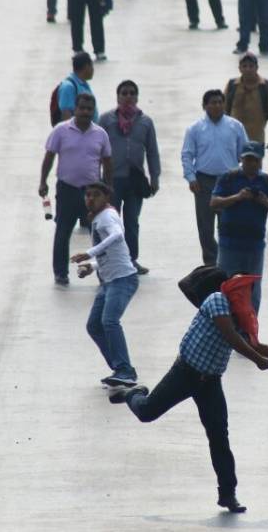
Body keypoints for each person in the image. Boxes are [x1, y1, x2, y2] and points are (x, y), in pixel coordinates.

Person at [110, 269, 268, 514]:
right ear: (230, 289)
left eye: (247, 292)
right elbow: (231, 337)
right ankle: (133, 393)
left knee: (219, 437)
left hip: (210, 382)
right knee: (147, 413)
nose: (245, 295)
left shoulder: (238, 315)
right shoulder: (217, 301)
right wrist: (257, 360)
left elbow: (255, 345)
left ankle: (228, 494)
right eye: (242, 290)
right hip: (185, 373)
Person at [72, 182, 141, 387]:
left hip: (122, 279)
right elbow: (111, 251)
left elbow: (117, 235)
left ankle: (125, 371)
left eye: (96, 195)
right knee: (94, 326)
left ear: (106, 198)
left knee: (109, 321)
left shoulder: (107, 217)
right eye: (87, 195)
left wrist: (89, 253)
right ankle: (121, 369)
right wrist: (92, 266)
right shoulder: (99, 218)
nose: (90, 199)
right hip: (109, 282)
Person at [40, 93, 113, 285]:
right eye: (82, 108)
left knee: (98, 233)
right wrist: (43, 181)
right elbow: (49, 157)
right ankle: (60, 273)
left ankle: (103, 272)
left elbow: (107, 162)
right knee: (63, 231)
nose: (85, 112)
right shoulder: (60, 130)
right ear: (75, 109)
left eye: (89, 109)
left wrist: (108, 189)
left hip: (93, 192)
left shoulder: (101, 134)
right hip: (67, 189)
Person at [96, 80, 160, 274]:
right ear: (117, 96)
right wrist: (95, 179)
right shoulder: (106, 120)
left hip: (135, 181)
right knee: (110, 223)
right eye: (124, 93)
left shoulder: (145, 122)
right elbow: (96, 149)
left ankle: (131, 260)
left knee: (132, 222)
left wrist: (155, 177)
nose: (128, 96)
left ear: (137, 97)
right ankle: (111, 261)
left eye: (132, 93)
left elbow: (152, 151)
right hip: (111, 181)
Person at [211, 141, 268, 311]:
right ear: (241, 159)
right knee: (225, 287)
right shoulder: (229, 178)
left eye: (255, 160)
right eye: (248, 159)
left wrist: (264, 201)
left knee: (253, 291)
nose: (251, 163)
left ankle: (250, 324)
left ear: (261, 160)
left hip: (254, 245)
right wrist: (237, 197)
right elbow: (214, 203)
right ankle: (225, 322)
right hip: (229, 244)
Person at [182, 90, 249, 265]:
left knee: (229, 224)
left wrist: (246, 176)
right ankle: (211, 263)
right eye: (213, 102)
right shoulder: (195, 129)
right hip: (204, 182)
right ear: (204, 106)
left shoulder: (236, 126)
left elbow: (245, 153)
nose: (217, 105)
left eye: (220, 102)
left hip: (230, 182)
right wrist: (191, 178)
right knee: (205, 227)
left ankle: (228, 261)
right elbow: (187, 154)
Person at [224, 53, 268, 162]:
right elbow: (223, 111)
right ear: (239, 68)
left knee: (254, 170)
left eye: (251, 66)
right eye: (244, 66)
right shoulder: (232, 86)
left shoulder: (266, 87)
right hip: (233, 140)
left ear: (257, 68)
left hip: (256, 140)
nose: (248, 69)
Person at [55, 53, 96, 124]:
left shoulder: (83, 84)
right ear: (87, 66)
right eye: (92, 66)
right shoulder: (68, 87)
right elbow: (66, 115)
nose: (93, 70)